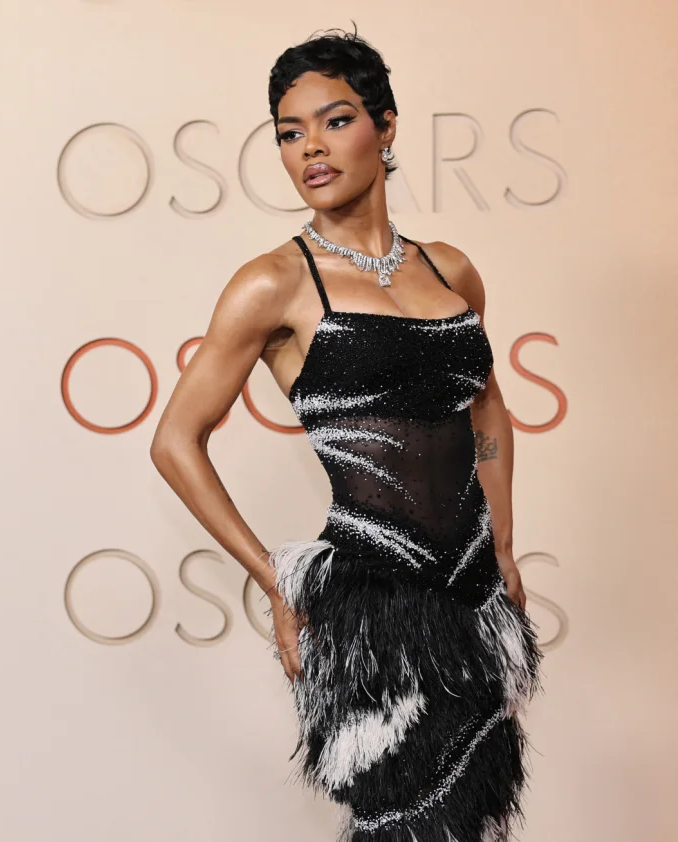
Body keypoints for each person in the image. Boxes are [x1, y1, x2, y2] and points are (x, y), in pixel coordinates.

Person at [148, 27, 544, 842]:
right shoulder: (273, 283)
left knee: (471, 820)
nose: (309, 149)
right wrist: (276, 581)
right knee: (401, 821)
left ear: (386, 126)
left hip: (469, 594)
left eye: (333, 121)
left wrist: (502, 545)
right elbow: (173, 440)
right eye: (288, 134)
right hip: (370, 609)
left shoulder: (450, 270)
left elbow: (487, 406)